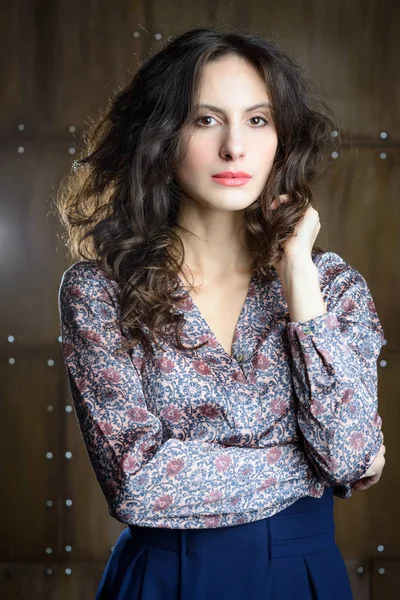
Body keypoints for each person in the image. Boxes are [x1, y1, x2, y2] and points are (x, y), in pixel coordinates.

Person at [55, 26, 386, 600]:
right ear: (159, 136)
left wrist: (299, 280)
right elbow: (139, 486)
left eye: (258, 120)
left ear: (281, 138)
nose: (235, 147)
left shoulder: (330, 285)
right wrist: (311, 468)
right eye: (205, 120)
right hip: (163, 577)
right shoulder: (100, 291)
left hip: (302, 575)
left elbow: (349, 451)